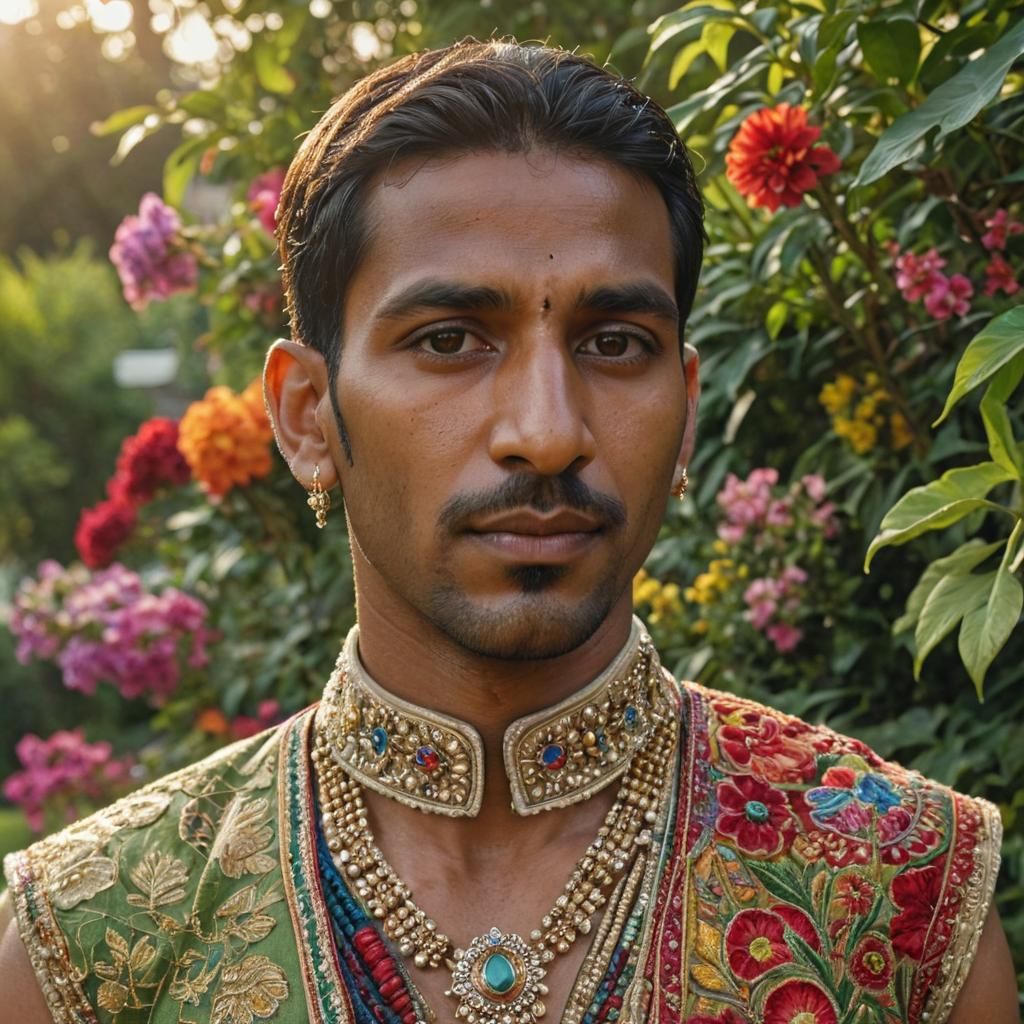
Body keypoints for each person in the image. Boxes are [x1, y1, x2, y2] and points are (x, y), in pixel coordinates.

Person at [0, 38, 1018, 1024]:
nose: (547, 431)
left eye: (615, 343)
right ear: (307, 416)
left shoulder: (896, 897)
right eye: (449, 340)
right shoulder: (93, 947)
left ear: (685, 414)